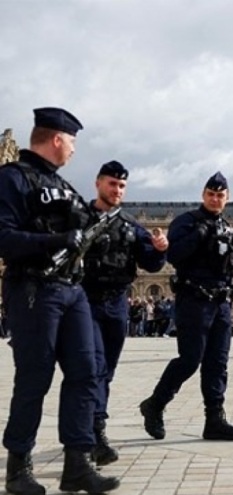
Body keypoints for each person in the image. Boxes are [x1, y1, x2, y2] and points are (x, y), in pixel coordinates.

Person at [0, 107, 120, 494]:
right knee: (35, 378)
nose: (73, 149)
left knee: (87, 373)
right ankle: (18, 468)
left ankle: (78, 463)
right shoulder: (12, 179)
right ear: (56, 139)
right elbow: (3, 237)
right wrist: (53, 242)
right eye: (71, 141)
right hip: (34, 288)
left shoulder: (63, 185)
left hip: (72, 290)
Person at [139, 171, 233, 442]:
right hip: (194, 300)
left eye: (220, 195)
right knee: (189, 359)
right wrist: (199, 235)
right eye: (211, 194)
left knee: (217, 363)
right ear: (203, 195)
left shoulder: (230, 230)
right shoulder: (186, 222)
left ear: (227, 198)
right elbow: (173, 255)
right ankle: (155, 404)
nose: (215, 199)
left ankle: (215, 419)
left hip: (221, 302)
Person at [81, 160, 168, 466]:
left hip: (117, 302)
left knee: (106, 370)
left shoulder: (130, 225)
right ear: (98, 183)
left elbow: (152, 264)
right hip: (84, 301)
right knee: (92, 367)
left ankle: (93, 429)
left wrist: (159, 248)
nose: (116, 190)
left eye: (121, 186)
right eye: (111, 184)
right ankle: (93, 433)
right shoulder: (79, 218)